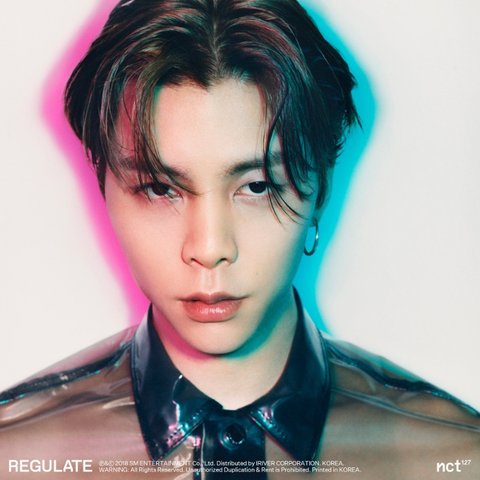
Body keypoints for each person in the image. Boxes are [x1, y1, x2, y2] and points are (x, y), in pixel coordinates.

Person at [0, 0, 478, 478]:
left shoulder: (455, 457)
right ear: (105, 186)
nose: (210, 249)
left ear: (320, 191)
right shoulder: (15, 454)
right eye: (160, 189)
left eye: (257, 186)